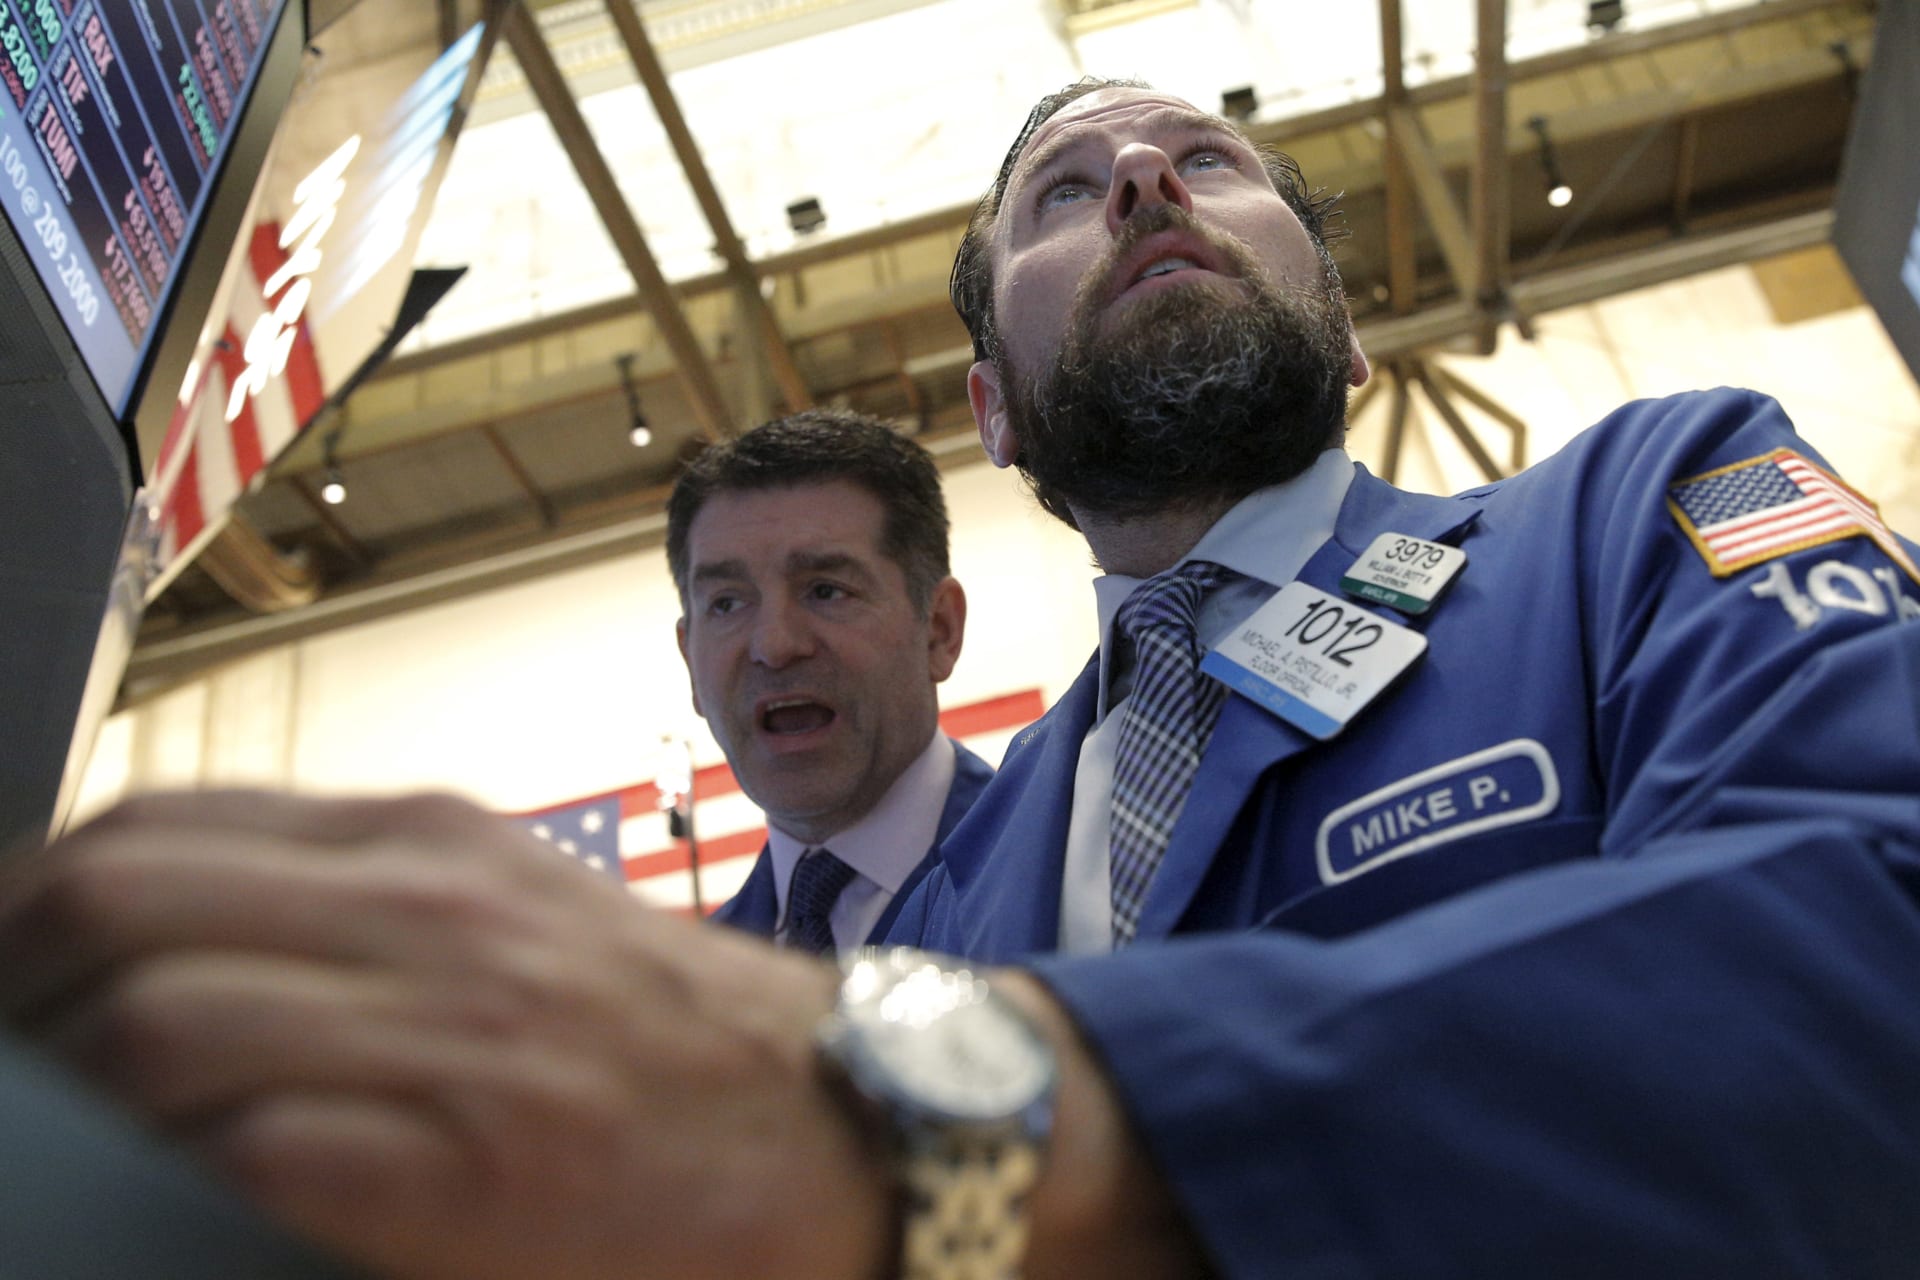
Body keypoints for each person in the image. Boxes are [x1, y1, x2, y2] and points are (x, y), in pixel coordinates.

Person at [0, 77, 1914, 1280]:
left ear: (1339, 336)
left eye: (1208, 160)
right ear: (996, 405)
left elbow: (1880, 918)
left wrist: (1038, 1117)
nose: (1150, 179)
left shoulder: (1634, 513)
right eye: (1066, 193)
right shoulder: (975, 888)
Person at [665, 410, 992, 953]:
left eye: (825, 590)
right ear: (690, 664)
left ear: (938, 630)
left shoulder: (1070, 872)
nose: (774, 645)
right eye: (726, 603)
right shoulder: (689, 994)